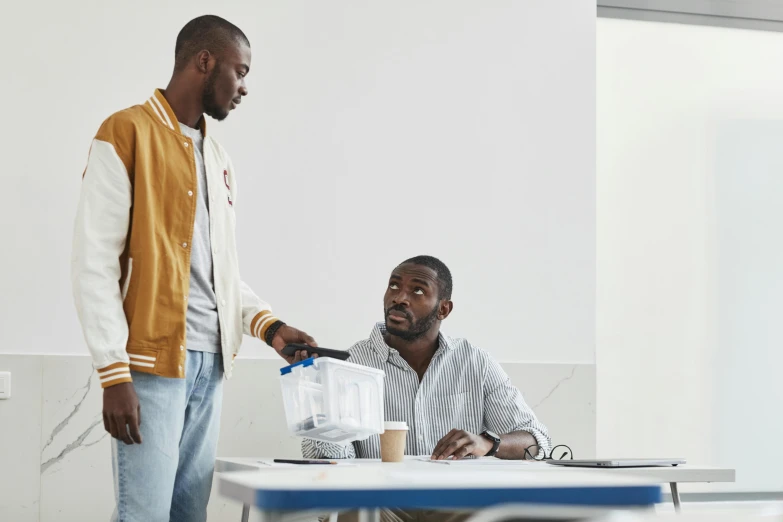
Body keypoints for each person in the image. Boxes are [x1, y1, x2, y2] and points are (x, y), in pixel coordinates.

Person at [71, 15, 316, 522]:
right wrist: (113, 374)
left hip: (212, 365)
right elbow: (93, 263)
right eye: (240, 71)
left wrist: (268, 326)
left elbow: (216, 268)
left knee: (189, 515)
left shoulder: (218, 156)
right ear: (204, 62)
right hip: (150, 367)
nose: (244, 88)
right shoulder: (125, 132)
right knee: (144, 515)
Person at [302, 255, 550, 521]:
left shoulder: (474, 362)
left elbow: (537, 442)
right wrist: (322, 409)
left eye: (417, 290)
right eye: (394, 286)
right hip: (381, 504)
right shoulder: (351, 364)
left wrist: (487, 442)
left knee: (506, 510)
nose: (399, 297)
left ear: (443, 309)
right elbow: (331, 467)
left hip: (456, 503)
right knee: (350, 508)